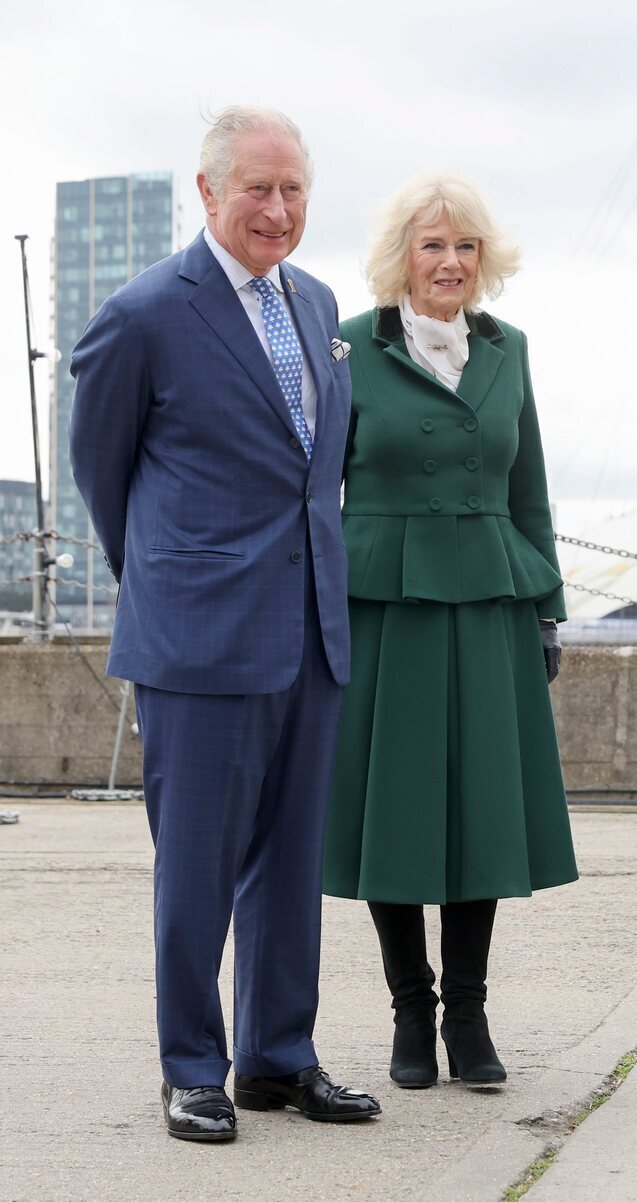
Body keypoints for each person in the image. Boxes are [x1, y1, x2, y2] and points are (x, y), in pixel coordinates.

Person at [69, 106, 381, 1141]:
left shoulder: (319, 303)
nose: (278, 208)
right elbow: (101, 475)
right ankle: (192, 1067)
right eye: (258, 187)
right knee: (195, 867)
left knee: (291, 862)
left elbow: (315, 474)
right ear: (207, 191)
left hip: (310, 634)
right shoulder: (145, 313)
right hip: (198, 641)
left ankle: (277, 1058)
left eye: (293, 189)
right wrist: (170, 583)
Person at [322, 173, 578, 1090]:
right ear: (402, 258)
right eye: (433, 245)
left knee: (480, 810)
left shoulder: (510, 351)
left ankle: (467, 1014)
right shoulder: (346, 348)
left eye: (465, 246)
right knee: (396, 807)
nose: (451, 262)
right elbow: (314, 492)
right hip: (382, 607)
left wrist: (548, 608)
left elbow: (529, 489)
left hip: (490, 605)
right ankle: (408, 1011)